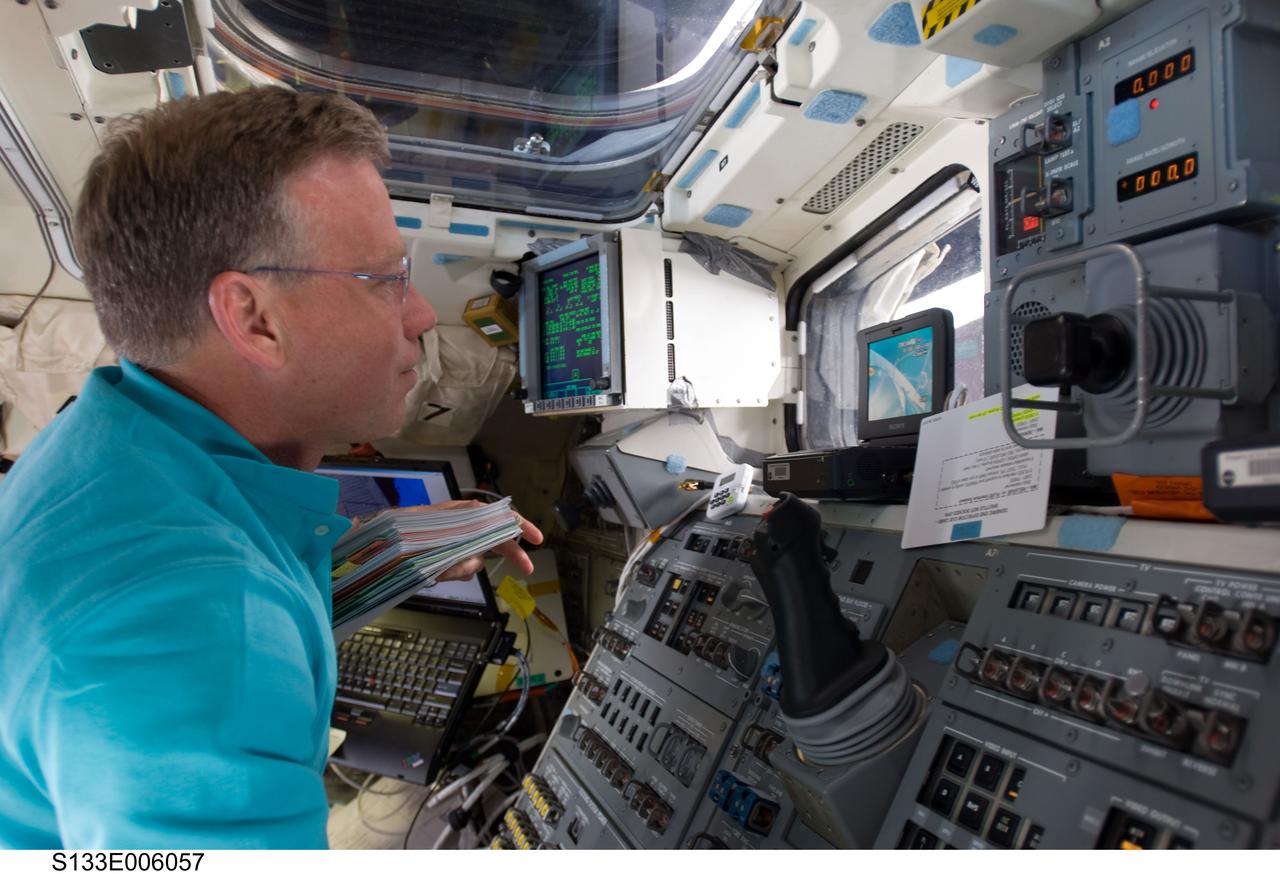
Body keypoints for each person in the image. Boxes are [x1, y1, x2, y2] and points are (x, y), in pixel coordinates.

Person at [0, 87, 542, 849]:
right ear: (254, 319)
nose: (421, 316)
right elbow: (204, 617)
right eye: (386, 279)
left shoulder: (111, 439)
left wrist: (388, 553)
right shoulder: (187, 625)